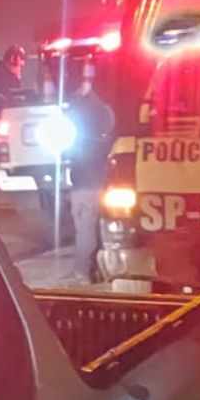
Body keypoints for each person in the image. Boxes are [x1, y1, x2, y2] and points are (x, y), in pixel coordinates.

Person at [66, 67, 117, 282]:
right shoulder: (106, 111)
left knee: (85, 229)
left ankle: (82, 272)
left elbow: (68, 149)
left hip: (84, 183)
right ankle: (101, 271)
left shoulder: (77, 113)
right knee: (103, 228)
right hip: (102, 179)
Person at [0, 45, 26, 128]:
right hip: (3, 119)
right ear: (12, 61)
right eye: (19, 65)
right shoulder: (2, 77)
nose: (20, 69)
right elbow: (5, 97)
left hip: (2, 119)